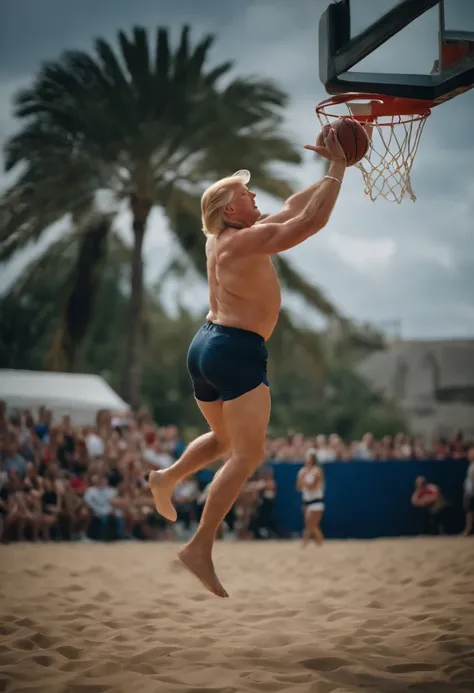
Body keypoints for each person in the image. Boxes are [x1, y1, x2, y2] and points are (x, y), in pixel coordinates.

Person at [149, 127, 347, 597]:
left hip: (206, 343)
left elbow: (295, 208)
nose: (254, 194)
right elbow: (306, 225)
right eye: (245, 192)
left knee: (222, 439)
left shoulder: (223, 239)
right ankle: (199, 547)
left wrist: (332, 171)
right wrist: (339, 169)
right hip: (235, 350)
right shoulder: (240, 241)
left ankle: (166, 478)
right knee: (249, 453)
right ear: (228, 210)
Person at [296, 449, 325, 546]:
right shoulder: (302, 471)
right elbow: (298, 487)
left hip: (316, 501)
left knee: (310, 525)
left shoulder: (317, 471)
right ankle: (318, 542)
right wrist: (302, 479)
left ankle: (305, 543)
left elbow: (311, 486)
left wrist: (303, 479)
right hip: (306, 501)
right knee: (311, 526)